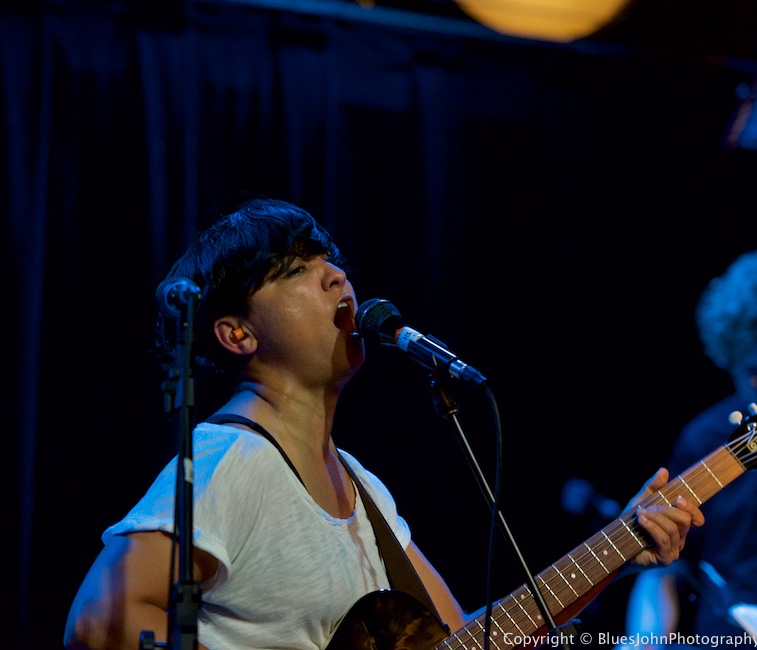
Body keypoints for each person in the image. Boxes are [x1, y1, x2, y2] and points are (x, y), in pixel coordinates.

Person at [64, 197, 704, 650]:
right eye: (299, 271)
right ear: (237, 334)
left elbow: (467, 638)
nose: (336, 277)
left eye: (332, 262)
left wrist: (620, 550)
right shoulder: (231, 460)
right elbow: (101, 622)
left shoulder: (362, 487)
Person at [622, 244, 757, 649]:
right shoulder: (706, 437)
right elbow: (662, 572)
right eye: (743, 369)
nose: (754, 386)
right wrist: (644, 641)